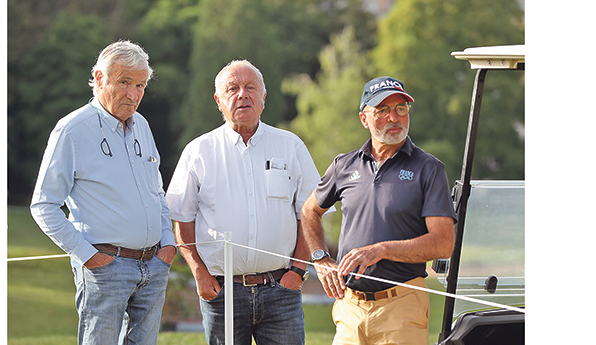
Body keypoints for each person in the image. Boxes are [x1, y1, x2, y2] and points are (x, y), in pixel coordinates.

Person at [165, 60, 328, 345]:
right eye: (233, 88)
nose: (243, 95)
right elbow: (181, 217)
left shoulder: (291, 146)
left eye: (251, 88)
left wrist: (298, 271)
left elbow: (310, 213)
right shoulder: (198, 151)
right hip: (222, 291)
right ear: (219, 101)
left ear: (263, 98)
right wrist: (199, 273)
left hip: (281, 289)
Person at [30, 40, 176, 345]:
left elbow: (156, 193)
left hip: (153, 264)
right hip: (105, 268)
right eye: (124, 82)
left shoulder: (143, 126)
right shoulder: (72, 130)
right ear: (99, 79)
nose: (133, 95)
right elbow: (44, 205)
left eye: (140, 85)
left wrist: (168, 246)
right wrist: (89, 257)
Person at [301, 76, 456, 345]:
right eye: (382, 110)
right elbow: (309, 211)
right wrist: (320, 257)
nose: (393, 118)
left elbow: (443, 243)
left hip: (402, 304)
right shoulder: (343, 165)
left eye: (400, 109)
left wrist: (381, 250)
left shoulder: (429, 169)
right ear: (365, 119)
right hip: (349, 306)